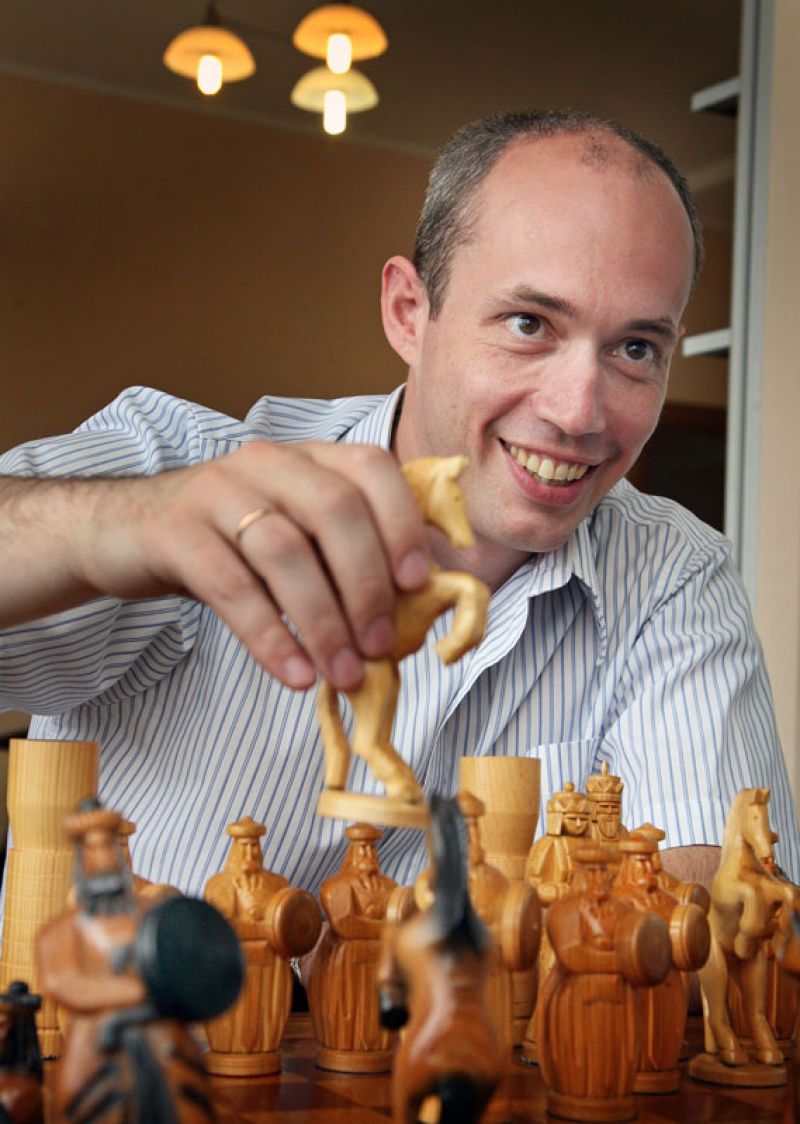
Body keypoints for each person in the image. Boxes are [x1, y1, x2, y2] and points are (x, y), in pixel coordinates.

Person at [0, 109, 798, 900]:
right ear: (409, 313)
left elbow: (714, 912)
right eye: (529, 324)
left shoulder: (673, 575)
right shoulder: (177, 464)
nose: (578, 411)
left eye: (635, 348)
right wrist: (115, 524)